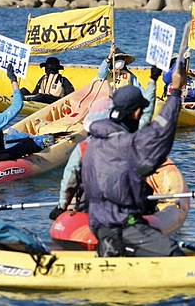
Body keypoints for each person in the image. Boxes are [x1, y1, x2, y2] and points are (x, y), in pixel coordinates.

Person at [54, 63, 187, 257]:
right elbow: (162, 130)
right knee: (174, 253)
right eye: (140, 111)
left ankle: (113, 250)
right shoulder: (129, 145)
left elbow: (69, 179)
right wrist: (175, 92)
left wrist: (61, 206)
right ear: (135, 113)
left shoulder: (89, 144)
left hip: (97, 222)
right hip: (125, 224)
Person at [51, 65, 163, 220]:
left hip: (90, 205)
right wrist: (152, 81)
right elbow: (146, 115)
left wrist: (61, 206)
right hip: (123, 210)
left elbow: (70, 176)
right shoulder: (130, 139)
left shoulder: (84, 146)